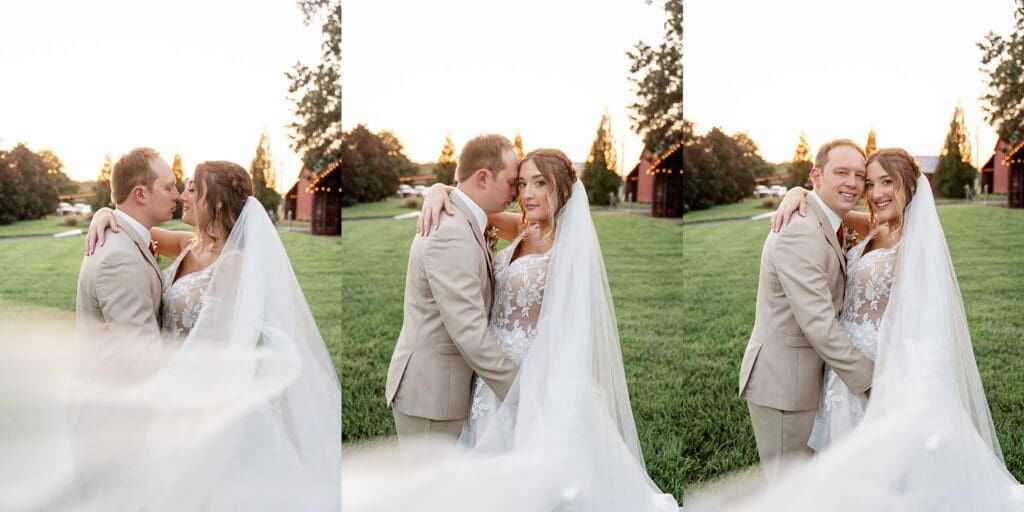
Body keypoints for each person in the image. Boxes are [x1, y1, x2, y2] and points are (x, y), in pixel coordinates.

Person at [691, 148, 1023, 511]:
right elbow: (824, 207)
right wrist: (797, 192)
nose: (875, 192)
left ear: (911, 187)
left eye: (887, 182)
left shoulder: (915, 245)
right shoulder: (874, 226)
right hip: (841, 372)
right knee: (832, 479)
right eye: (870, 183)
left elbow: (925, 322)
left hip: (876, 372)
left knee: (873, 480)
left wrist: (895, 384)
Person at [414, 148, 677, 511]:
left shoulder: (569, 248)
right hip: (489, 370)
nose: (527, 194)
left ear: (562, 190)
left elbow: (570, 329)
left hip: (536, 376)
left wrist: (543, 389)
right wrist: (437, 190)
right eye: (521, 183)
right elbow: (471, 205)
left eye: (539, 183)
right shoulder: (523, 227)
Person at [80, 160, 341, 510]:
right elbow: (132, 228)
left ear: (215, 202)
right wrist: (101, 213)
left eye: (191, 189)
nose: (182, 196)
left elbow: (217, 350)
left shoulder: (233, 264)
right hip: (165, 394)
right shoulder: (190, 244)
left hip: (199, 402)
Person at [737, 139, 874, 477]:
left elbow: (885, 217)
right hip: (785, 385)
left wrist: (796, 190)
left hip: (808, 379)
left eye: (859, 175)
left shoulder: (827, 217)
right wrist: (875, 383)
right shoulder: (800, 229)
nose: (853, 183)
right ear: (817, 175)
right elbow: (819, 324)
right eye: (841, 172)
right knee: (788, 492)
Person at [385, 134, 520, 450]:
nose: (515, 193)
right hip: (431, 394)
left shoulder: (464, 217)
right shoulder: (451, 232)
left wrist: (439, 188)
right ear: (483, 178)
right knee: (429, 495)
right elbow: (469, 330)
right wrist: (522, 393)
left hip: (445, 389)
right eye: (512, 182)